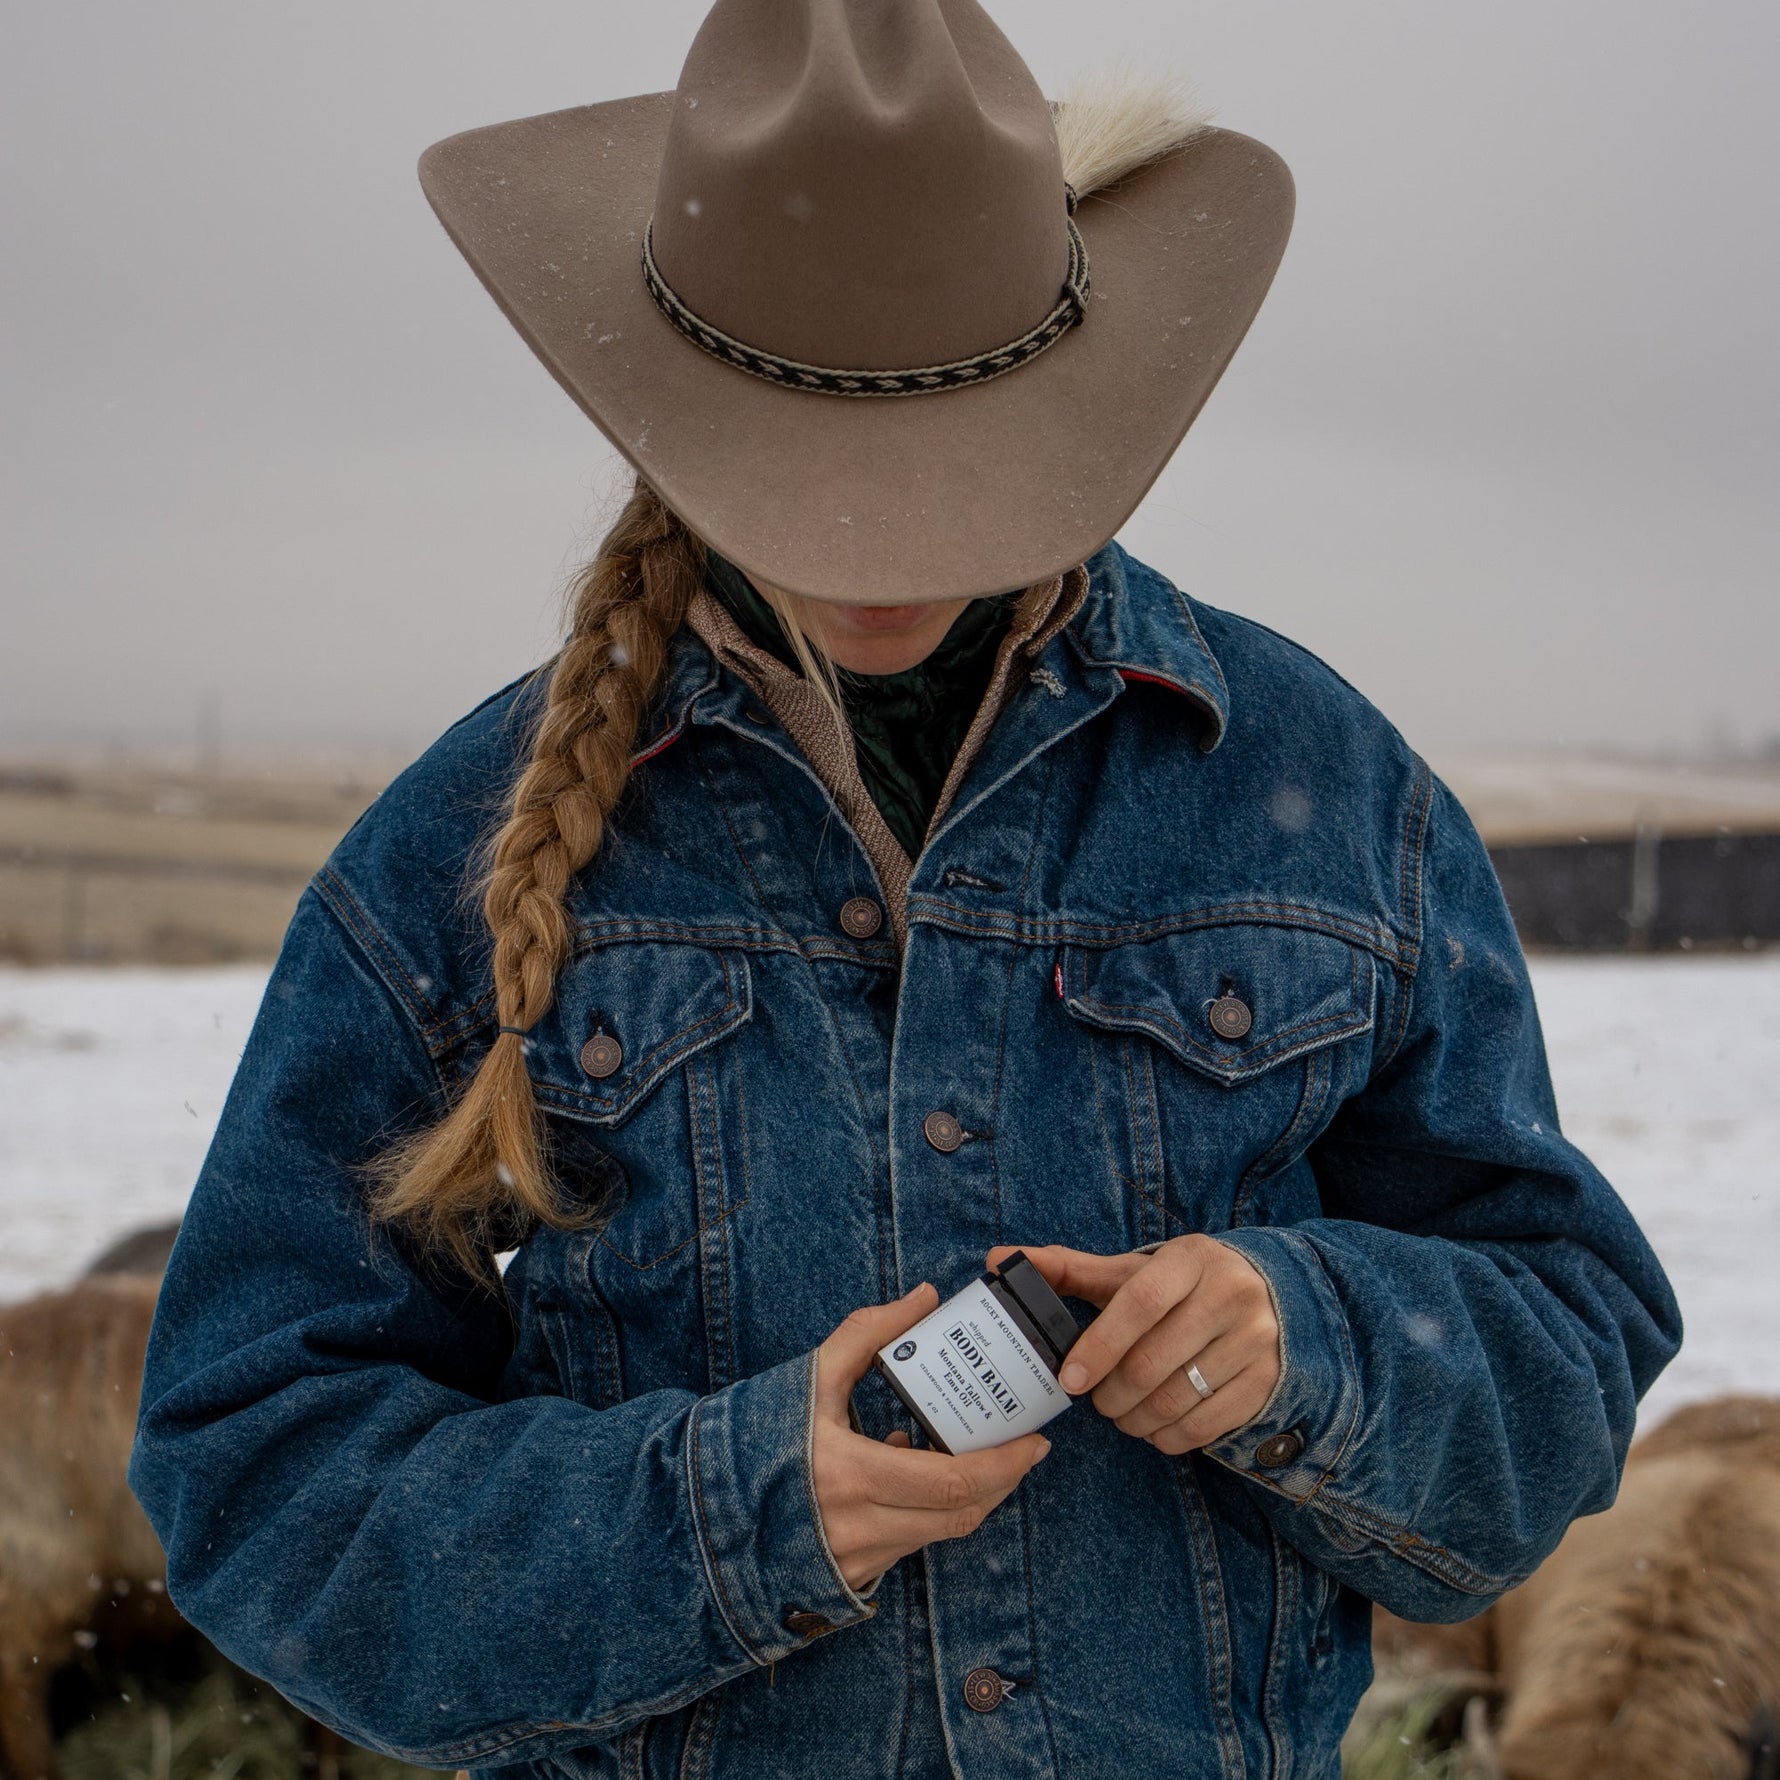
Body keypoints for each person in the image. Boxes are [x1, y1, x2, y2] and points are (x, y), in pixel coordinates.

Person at [129, 2, 1681, 1776]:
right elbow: (256, 1479)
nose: (880, 552)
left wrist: (1310, 1343)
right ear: (671, 403)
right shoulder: (447, 857)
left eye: (949, 459)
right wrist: (725, 1513)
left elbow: (1562, 1358)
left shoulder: (1327, 802)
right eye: (815, 468)